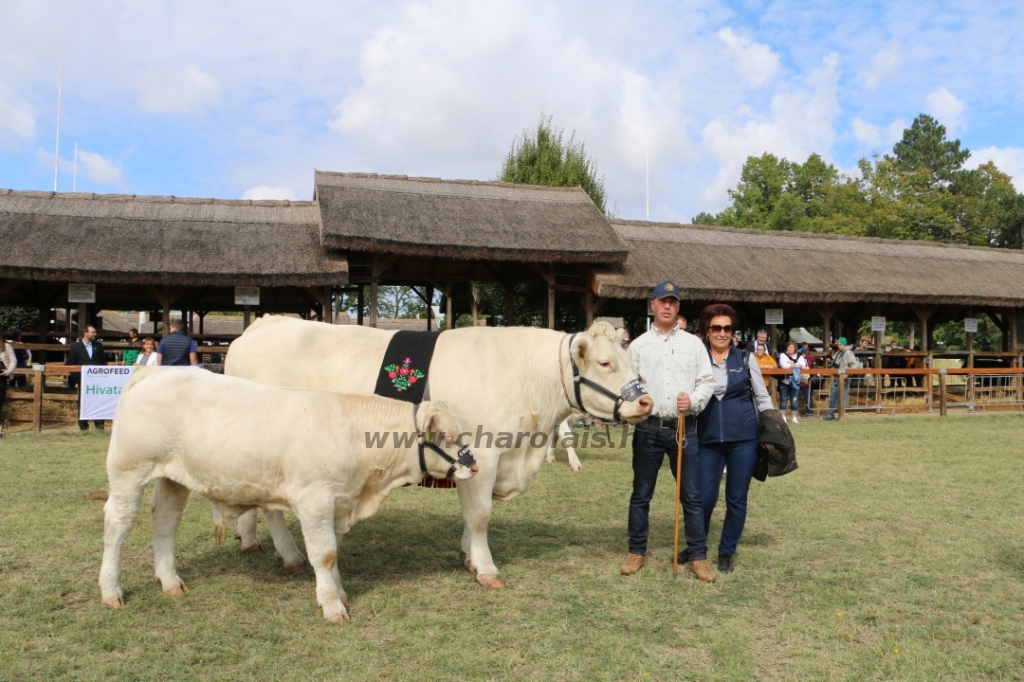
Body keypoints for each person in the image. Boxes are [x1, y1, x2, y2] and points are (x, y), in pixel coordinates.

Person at [622, 281, 716, 581]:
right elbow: (627, 385)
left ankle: (698, 557)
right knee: (641, 495)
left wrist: (694, 400)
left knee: (692, 495)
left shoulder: (693, 344)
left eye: (673, 302)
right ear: (653, 305)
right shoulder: (637, 346)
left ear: (678, 307)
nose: (667, 307)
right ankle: (636, 552)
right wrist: (638, 401)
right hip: (648, 428)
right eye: (662, 301)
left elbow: (706, 381)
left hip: (683, 428)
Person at [695, 304, 774, 574]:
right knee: (704, 498)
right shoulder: (696, 358)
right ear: (707, 330)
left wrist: (771, 428)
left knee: (736, 498)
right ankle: (697, 548)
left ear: (733, 331)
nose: (721, 333)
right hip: (707, 439)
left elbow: (762, 396)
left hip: (743, 439)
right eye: (716, 327)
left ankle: (727, 551)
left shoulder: (745, 358)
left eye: (727, 328)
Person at [66, 325, 108, 430]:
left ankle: (99, 425)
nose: (95, 334)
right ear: (85, 333)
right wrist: (77, 379)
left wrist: (104, 378)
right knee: (83, 402)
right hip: (83, 380)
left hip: (98, 380)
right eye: (93, 332)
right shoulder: (75, 347)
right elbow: (71, 364)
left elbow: (103, 363)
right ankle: (83, 426)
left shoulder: (99, 346)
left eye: (95, 332)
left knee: (99, 401)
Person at [825, 337, 861, 420]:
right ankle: (831, 414)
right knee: (833, 395)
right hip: (837, 376)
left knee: (843, 396)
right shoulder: (838, 352)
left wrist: (847, 375)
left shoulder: (849, 353)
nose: (838, 346)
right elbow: (836, 363)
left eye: (840, 344)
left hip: (844, 376)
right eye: (838, 344)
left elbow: (854, 366)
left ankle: (841, 415)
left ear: (844, 344)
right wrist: (830, 361)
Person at [777, 342, 807, 423]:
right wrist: (797, 364)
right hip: (785, 380)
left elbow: (803, 366)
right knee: (783, 399)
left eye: (792, 347)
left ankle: (794, 417)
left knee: (794, 399)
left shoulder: (799, 356)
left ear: (795, 348)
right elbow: (784, 365)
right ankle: (783, 417)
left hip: (796, 381)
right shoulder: (783, 355)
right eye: (789, 347)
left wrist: (791, 364)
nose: (790, 349)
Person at [0, 330, 17, 418]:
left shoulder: (6, 346)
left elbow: (13, 360)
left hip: (2, 376)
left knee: (0, 399)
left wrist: (8, 372)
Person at [799, 343, 817, 417]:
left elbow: (814, 368)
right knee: (805, 396)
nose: (806, 350)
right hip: (800, 378)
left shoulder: (811, 358)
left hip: (807, 379)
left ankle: (809, 412)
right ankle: (808, 412)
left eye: (807, 348)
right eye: (804, 348)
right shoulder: (799, 357)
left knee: (807, 396)